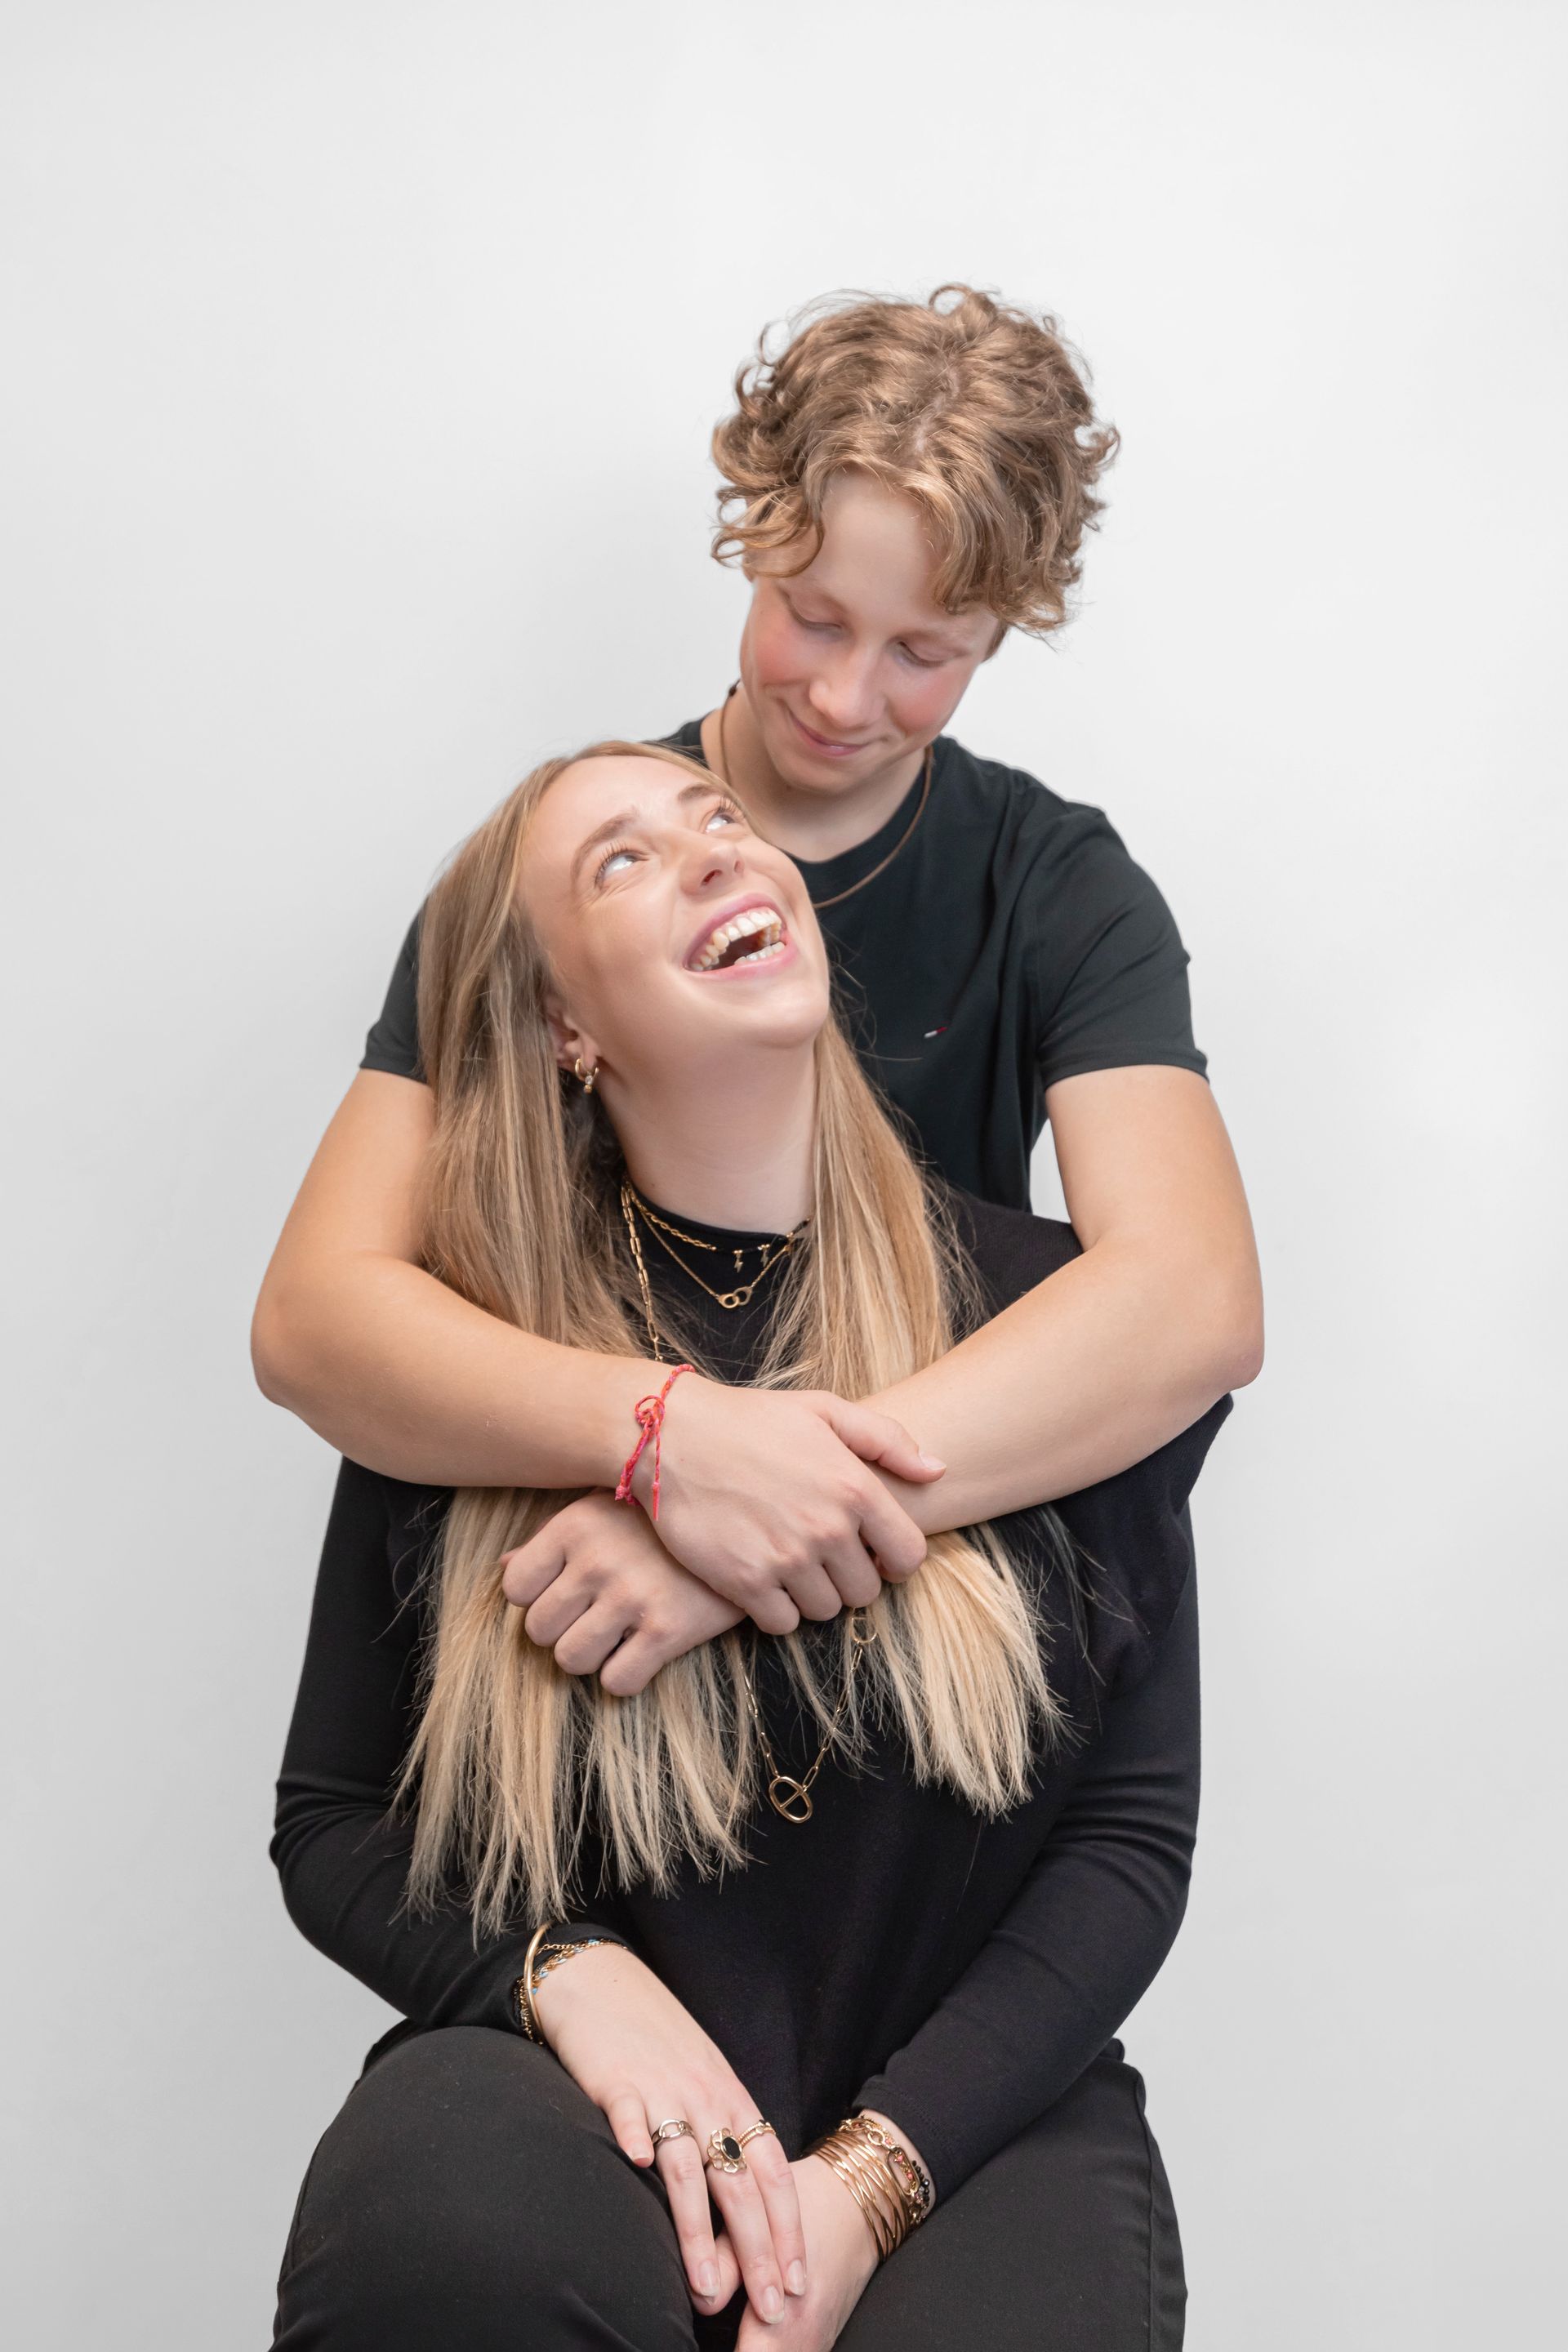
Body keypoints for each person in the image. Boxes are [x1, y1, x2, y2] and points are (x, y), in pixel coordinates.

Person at [270, 743, 1228, 2350]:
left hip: (971, 2113)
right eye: (625, 862)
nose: (722, 850)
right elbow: (335, 1819)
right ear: (565, 1030)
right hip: (569, 2096)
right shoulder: (472, 1365)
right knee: (450, 2234)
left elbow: (1128, 1843)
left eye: (720, 820)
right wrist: (572, 1983)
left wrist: (877, 2174)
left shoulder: (1057, 1330)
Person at [251, 286, 1262, 1636]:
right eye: (815, 615)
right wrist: (665, 1443)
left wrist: (761, 1513)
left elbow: (1193, 1301)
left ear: (1001, 633)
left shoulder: (1060, 890)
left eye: (923, 654)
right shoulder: (547, 877)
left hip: (919, 1621)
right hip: (576, 1628)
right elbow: (315, 1317)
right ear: (756, 535)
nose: (847, 700)